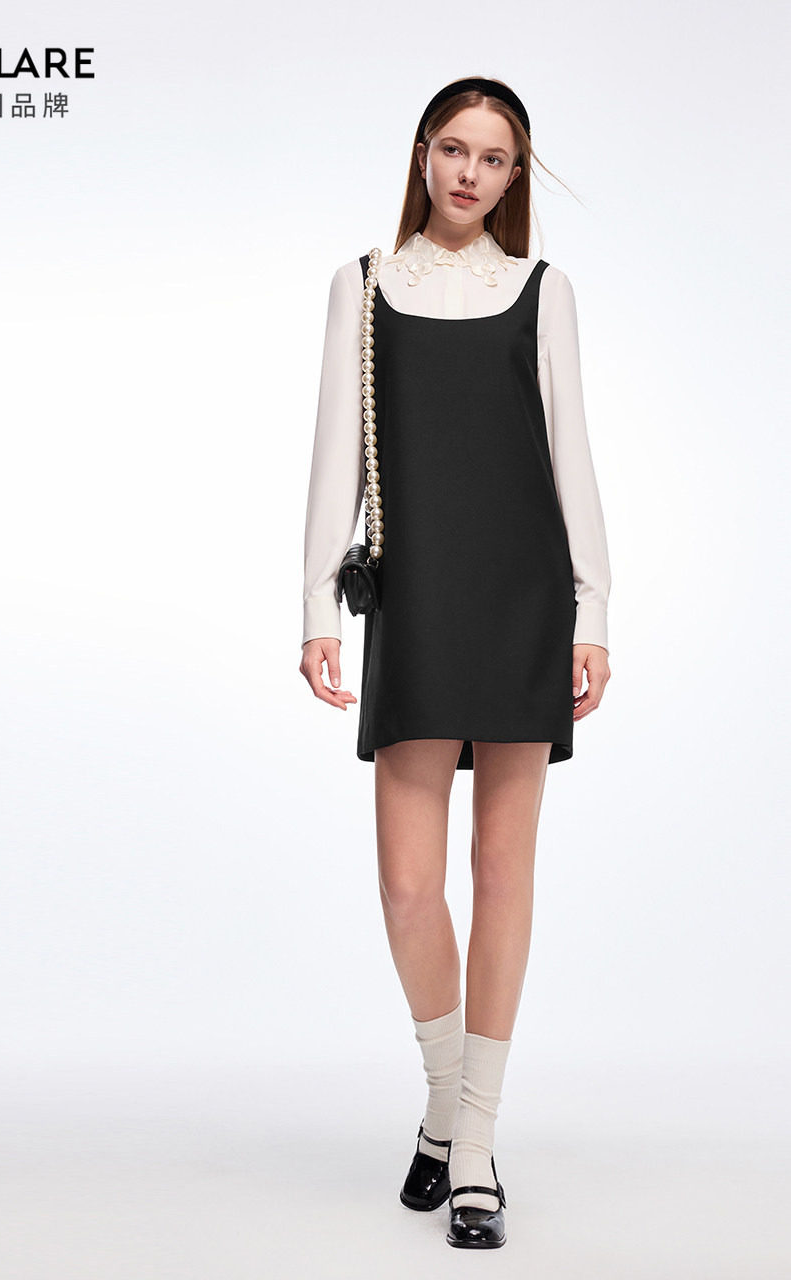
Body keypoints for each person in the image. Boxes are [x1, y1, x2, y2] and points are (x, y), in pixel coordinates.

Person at [298, 75, 612, 1250]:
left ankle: (470, 1139)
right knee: (406, 882)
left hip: (524, 599)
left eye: (492, 157)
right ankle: (446, 1095)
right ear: (421, 155)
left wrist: (591, 610)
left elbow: (570, 454)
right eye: (452, 149)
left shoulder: (542, 291)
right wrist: (315, 608)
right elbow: (334, 454)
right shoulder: (361, 287)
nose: (469, 172)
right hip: (419, 603)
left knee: (501, 870)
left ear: (513, 174)